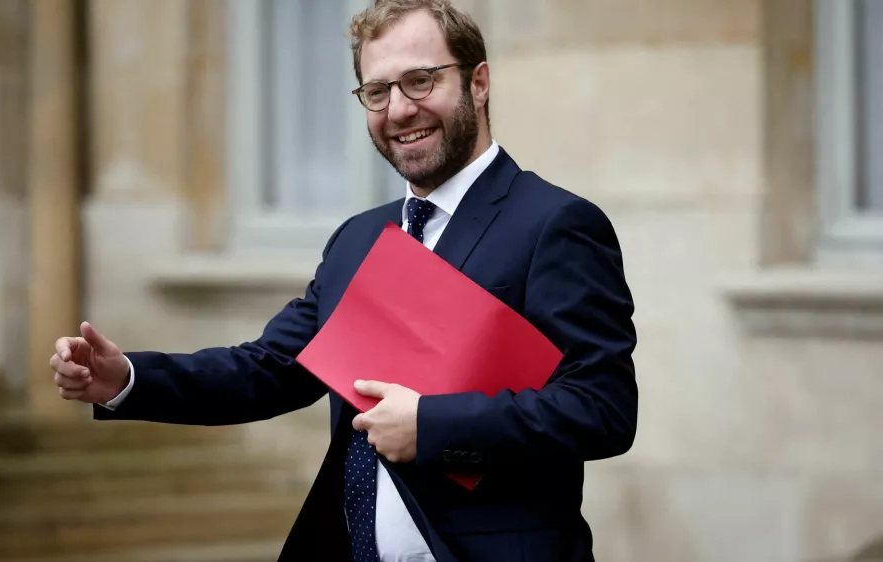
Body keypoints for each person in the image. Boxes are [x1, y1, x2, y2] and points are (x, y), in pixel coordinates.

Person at [49, 1, 637, 560]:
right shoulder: (358, 239)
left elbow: (601, 408)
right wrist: (126, 378)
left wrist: (432, 427)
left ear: (478, 83)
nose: (399, 109)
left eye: (421, 80)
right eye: (377, 91)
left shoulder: (554, 224)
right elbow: (269, 368)